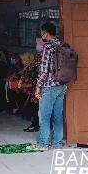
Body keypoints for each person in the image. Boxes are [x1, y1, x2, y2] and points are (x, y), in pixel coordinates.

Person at [32, 22, 67, 151]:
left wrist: (37, 86)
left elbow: (44, 70)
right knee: (57, 116)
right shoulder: (62, 45)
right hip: (62, 85)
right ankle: (57, 143)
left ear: (46, 32)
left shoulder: (48, 47)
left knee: (44, 116)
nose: (41, 35)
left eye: (42, 32)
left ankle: (42, 143)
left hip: (49, 86)